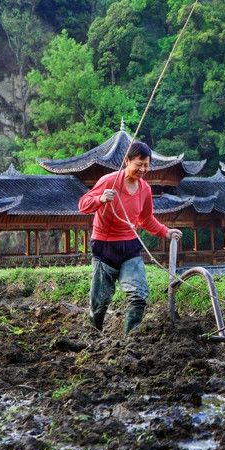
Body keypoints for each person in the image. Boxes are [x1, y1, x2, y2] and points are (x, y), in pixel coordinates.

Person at [78, 141, 181, 332]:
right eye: (138, 164)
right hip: (105, 246)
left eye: (146, 165)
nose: (143, 169)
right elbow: (83, 204)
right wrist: (100, 199)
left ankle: (131, 339)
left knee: (139, 296)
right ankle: (94, 336)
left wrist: (166, 231)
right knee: (100, 302)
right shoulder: (110, 181)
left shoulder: (145, 189)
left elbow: (146, 219)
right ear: (127, 161)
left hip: (130, 246)